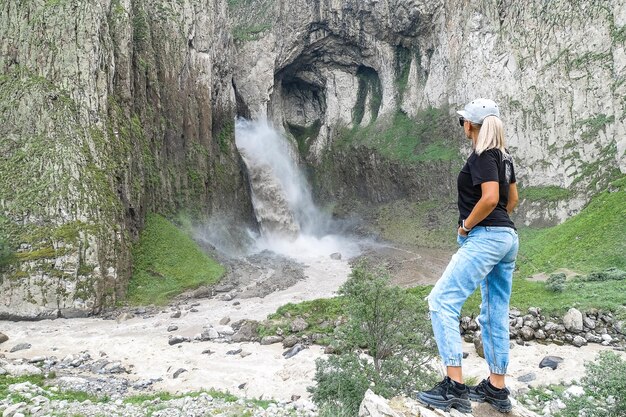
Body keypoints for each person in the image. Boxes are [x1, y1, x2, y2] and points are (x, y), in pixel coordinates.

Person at [416, 98, 519, 414]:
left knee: (441, 301)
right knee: (494, 311)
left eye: (463, 120)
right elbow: (511, 200)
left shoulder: (482, 156)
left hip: (485, 237)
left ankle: (454, 388)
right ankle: (496, 388)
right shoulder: (504, 158)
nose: (462, 124)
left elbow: (490, 198)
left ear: (472, 125)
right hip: (507, 237)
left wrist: (466, 227)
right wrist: (496, 224)